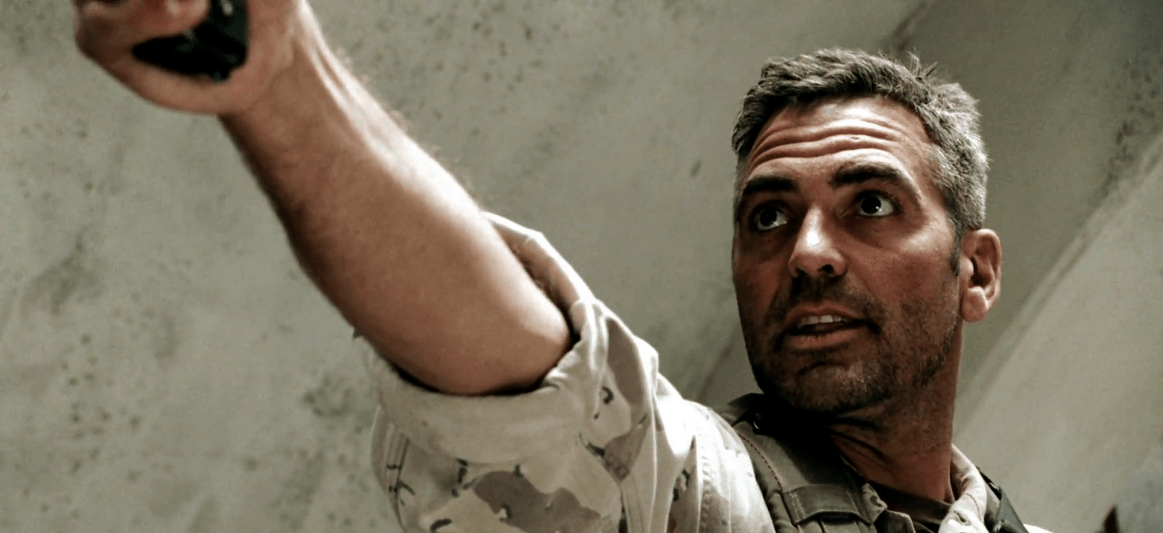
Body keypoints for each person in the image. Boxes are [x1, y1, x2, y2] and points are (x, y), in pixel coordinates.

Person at [72, 1, 1053, 531]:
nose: (805, 253)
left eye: (869, 203)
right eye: (767, 216)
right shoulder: (697, 493)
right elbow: (537, 383)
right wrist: (283, 78)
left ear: (975, 272)